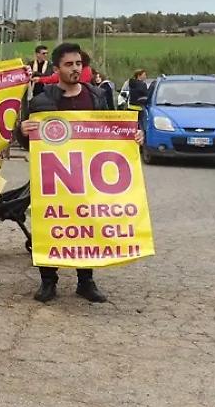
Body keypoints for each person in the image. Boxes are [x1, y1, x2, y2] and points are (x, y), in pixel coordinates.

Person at [20, 42, 142, 306]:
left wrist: (132, 136)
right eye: (69, 65)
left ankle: (86, 281)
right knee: (50, 226)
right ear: (57, 68)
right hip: (55, 179)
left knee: (87, 227)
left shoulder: (97, 96)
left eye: (79, 64)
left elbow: (111, 132)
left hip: (88, 178)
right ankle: (48, 280)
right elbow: (28, 142)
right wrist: (23, 130)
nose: (76, 69)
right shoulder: (42, 102)